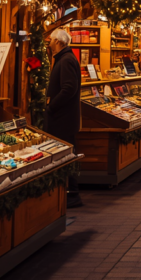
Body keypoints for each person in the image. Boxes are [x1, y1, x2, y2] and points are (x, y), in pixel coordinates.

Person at [46, 28, 83, 209]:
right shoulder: (64, 59)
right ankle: (68, 192)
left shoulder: (66, 60)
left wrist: (52, 105)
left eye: (51, 40)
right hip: (63, 117)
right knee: (67, 153)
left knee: (67, 154)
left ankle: (72, 194)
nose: (49, 42)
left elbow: (69, 88)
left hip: (63, 118)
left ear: (59, 42)